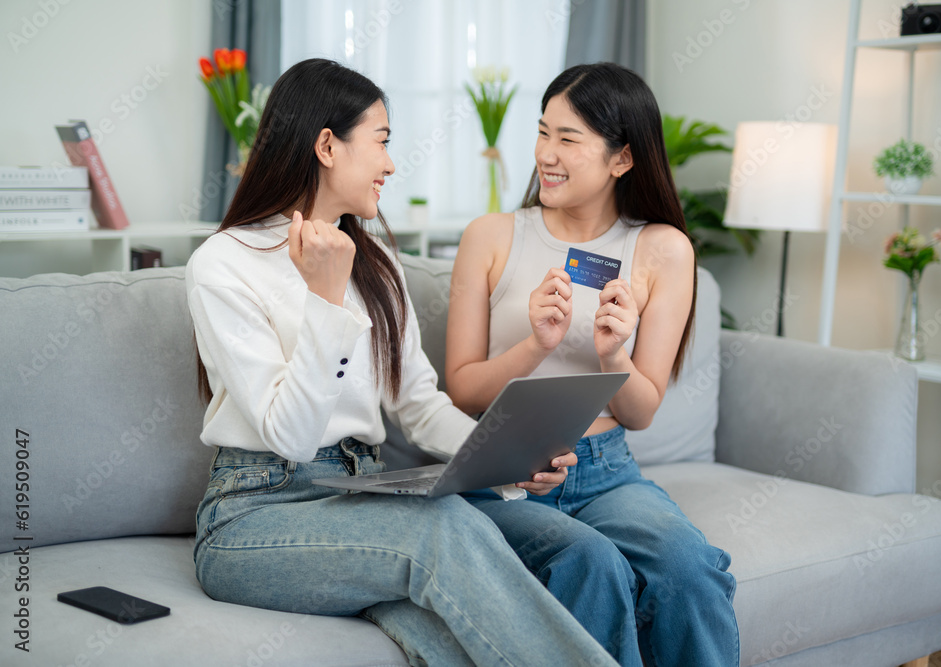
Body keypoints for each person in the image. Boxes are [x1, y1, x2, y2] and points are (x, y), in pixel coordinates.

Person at [186, 57, 618, 667]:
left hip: (362, 496)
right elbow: (289, 436)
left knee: (583, 552)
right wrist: (324, 299)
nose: (391, 164)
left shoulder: (378, 267)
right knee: (439, 531)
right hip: (255, 515)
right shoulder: (223, 263)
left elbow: (418, 406)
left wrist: (508, 462)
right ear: (327, 146)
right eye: (382, 142)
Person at [445, 62, 740, 666]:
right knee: (594, 567)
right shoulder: (492, 236)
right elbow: (463, 391)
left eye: (568, 138)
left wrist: (613, 354)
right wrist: (536, 345)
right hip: (502, 473)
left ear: (622, 159)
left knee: (689, 569)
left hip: (605, 472)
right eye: (543, 131)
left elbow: (641, 411)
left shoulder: (662, 250)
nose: (545, 154)